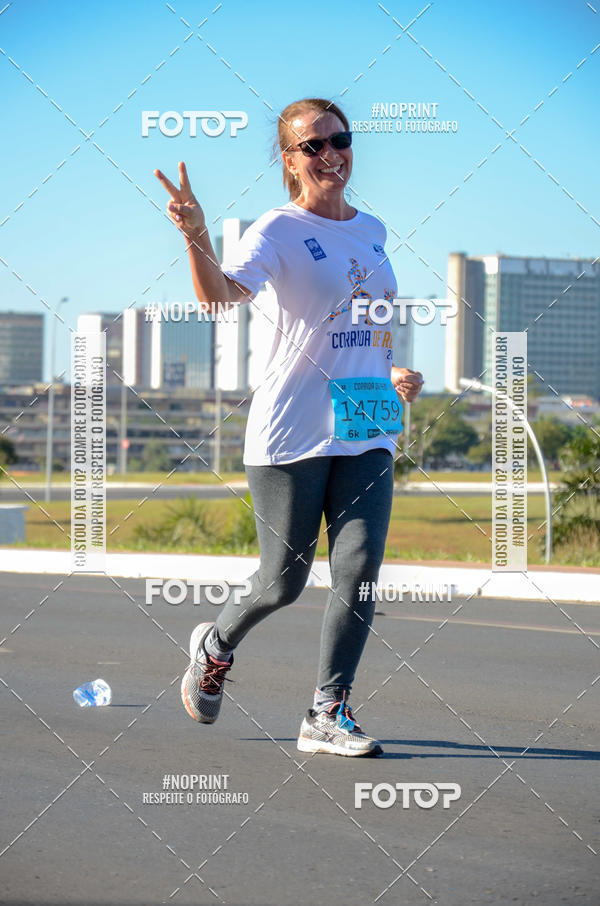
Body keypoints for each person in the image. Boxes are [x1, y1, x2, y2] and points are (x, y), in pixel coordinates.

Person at [154, 97, 423, 757]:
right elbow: (220, 299)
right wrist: (195, 233)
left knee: (359, 570)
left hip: (367, 416)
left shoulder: (374, 230)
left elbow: (366, 326)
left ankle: (326, 712)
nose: (331, 154)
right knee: (283, 579)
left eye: (340, 139)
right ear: (290, 159)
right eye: (314, 145)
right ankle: (215, 646)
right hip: (292, 421)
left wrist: (392, 376)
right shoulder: (276, 230)